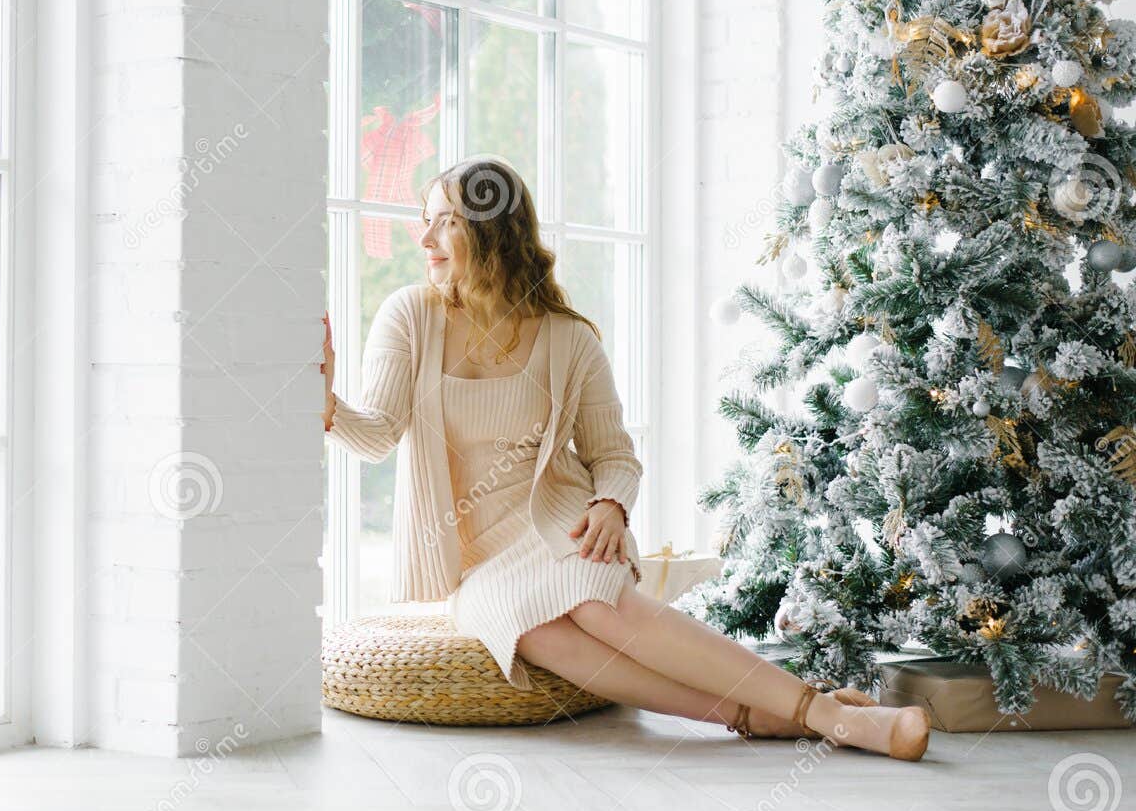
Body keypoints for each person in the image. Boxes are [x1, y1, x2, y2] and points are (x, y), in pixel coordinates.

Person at [321, 155, 930, 761]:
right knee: (533, 631)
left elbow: (613, 454)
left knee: (593, 604)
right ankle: (751, 716)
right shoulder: (410, 316)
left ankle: (824, 714)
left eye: (446, 222)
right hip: (477, 556)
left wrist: (611, 503)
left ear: (492, 233)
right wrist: (324, 404)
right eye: (426, 220)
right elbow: (378, 432)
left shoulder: (568, 338)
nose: (425, 238)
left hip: (562, 525)